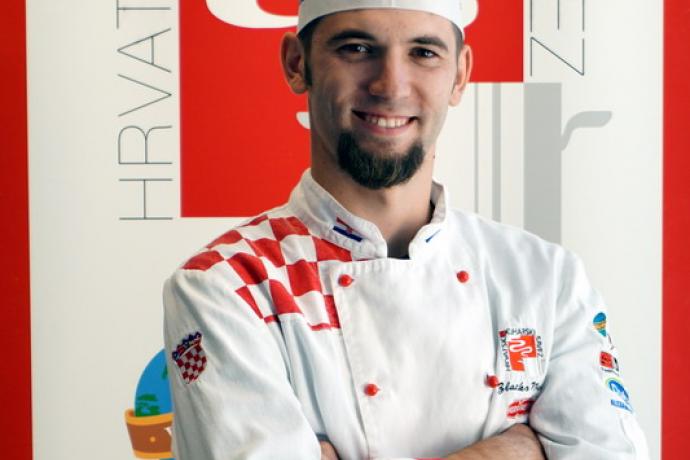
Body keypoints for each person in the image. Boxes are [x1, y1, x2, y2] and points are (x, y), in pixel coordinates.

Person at [163, 1, 650, 459]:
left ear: (460, 74)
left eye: (423, 53)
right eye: (357, 48)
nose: (391, 85)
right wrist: (510, 451)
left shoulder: (545, 278)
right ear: (297, 63)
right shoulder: (227, 286)